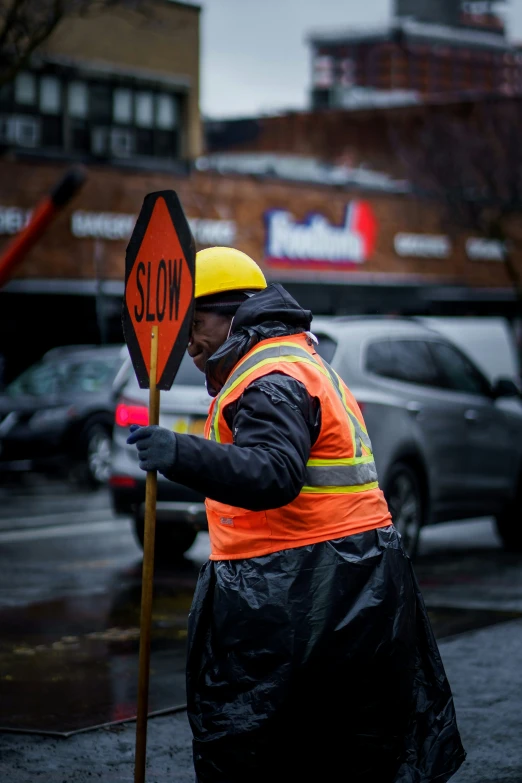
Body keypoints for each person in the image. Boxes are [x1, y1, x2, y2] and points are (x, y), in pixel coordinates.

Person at [127, 246, 466, 783]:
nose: (187, 342)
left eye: (196, 323)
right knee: (335, 748)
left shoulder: (273, 377)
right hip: (336, 579)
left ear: (236, 314)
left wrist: (179, 453)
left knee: (280, 752)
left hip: (305, 588)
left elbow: (272, 474)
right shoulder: (286, 364)